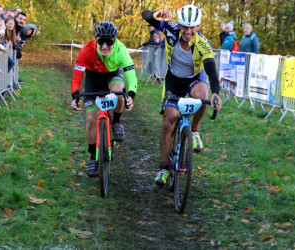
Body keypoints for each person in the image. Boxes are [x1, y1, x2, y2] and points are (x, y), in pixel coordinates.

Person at [142, 4, 223, 186]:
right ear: (178, 25)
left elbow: (211, 72)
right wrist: (155, 15)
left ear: (198, 26)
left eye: (192, 27)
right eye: (185, 26)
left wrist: (216, 93)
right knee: (168, 121)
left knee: (203, 95)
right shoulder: (170, 30)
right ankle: (163, 166)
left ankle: (194, 130)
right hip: (174, 81)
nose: (188, 31)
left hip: (194, 79)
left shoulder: (203, 44)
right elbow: (146, 16)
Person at [70, 21, 137, 177]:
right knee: (92, 120)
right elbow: (76, 79)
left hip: (113, 76)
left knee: (119, 93)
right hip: (93, 79)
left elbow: (131, 77)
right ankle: (93, 157)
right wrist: (75, 96)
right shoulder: (87, 50)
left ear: (115, 41)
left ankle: (116, 122)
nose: (105, 46)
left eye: (110, 42)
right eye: (101, 42)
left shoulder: (121, 50)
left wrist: (131, 95)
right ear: (95, 40)